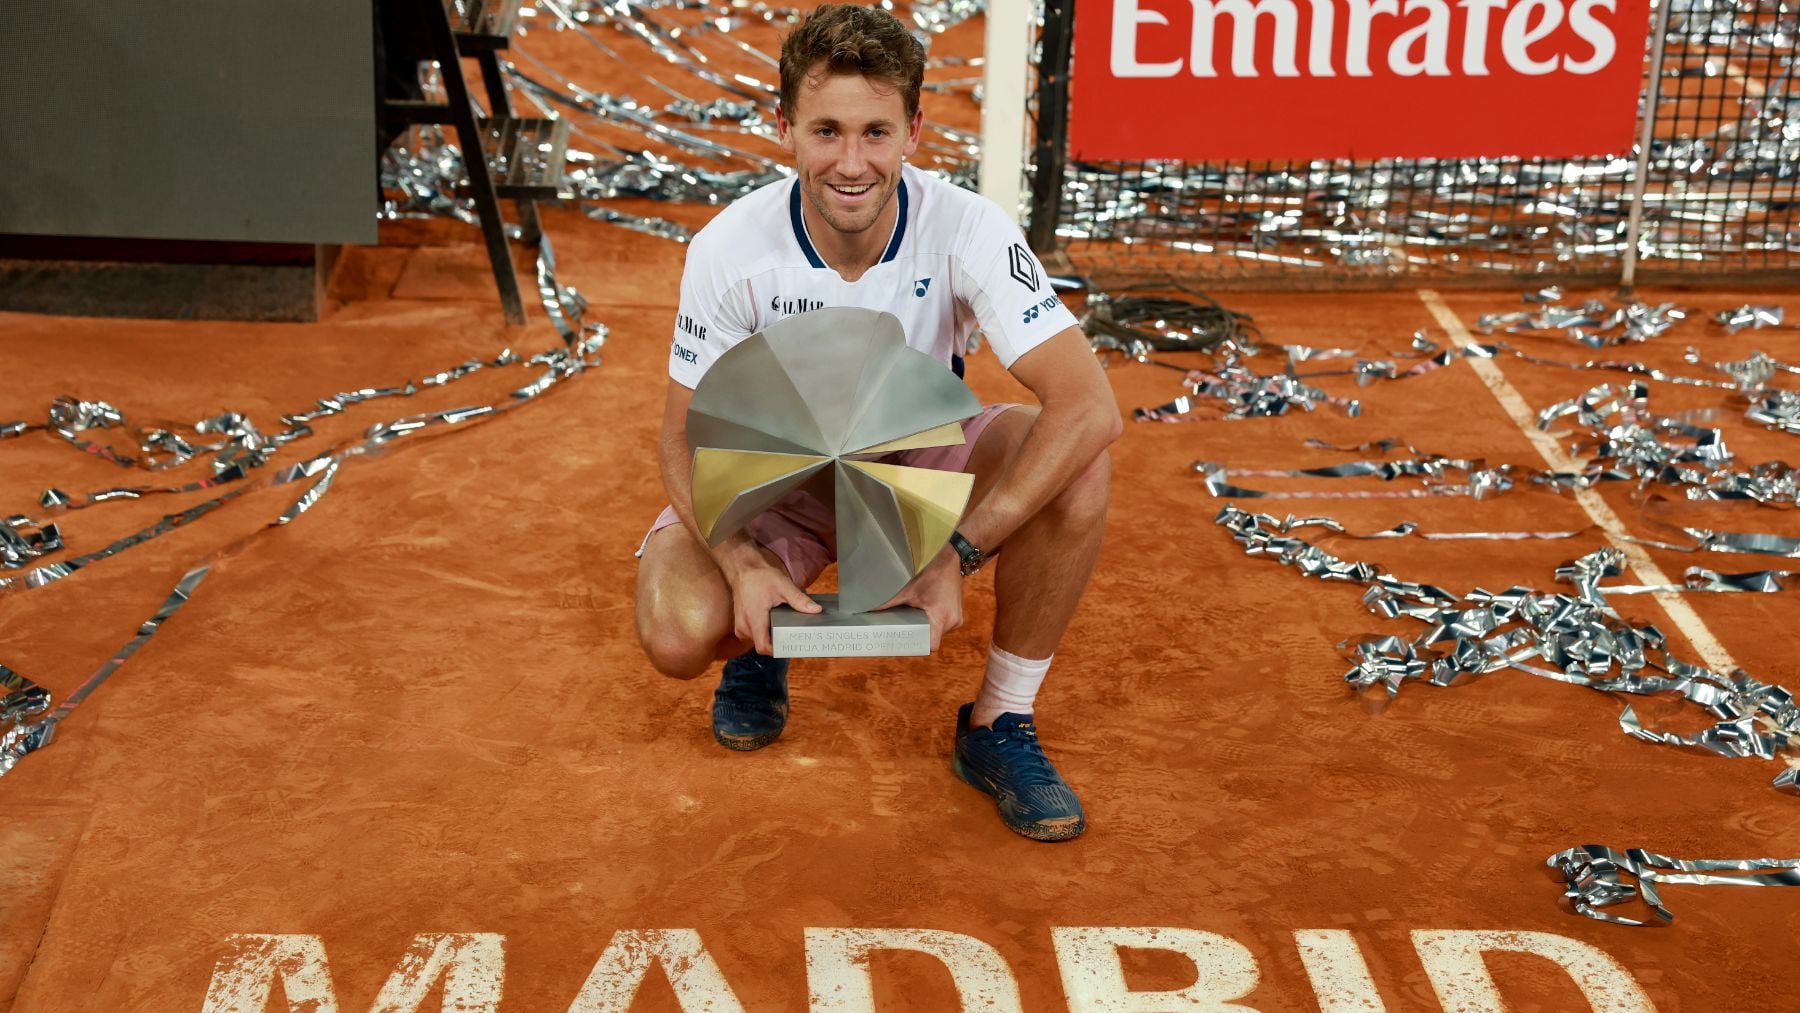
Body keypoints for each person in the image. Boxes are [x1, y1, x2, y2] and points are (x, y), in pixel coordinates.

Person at [634, 3, 1119, 842]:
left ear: (915, 131)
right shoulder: (729, 246)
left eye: (875, 132)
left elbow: (1089, 406)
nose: (850, 162)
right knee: (678, 630)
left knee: (1077, 464)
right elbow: (679, 435)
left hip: (912, 471)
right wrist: (736, 557)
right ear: (782, 127)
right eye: (825, 131)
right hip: (772, 475)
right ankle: (761, 645)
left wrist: (959, 556)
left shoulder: (967, 228)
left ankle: (997, 721)